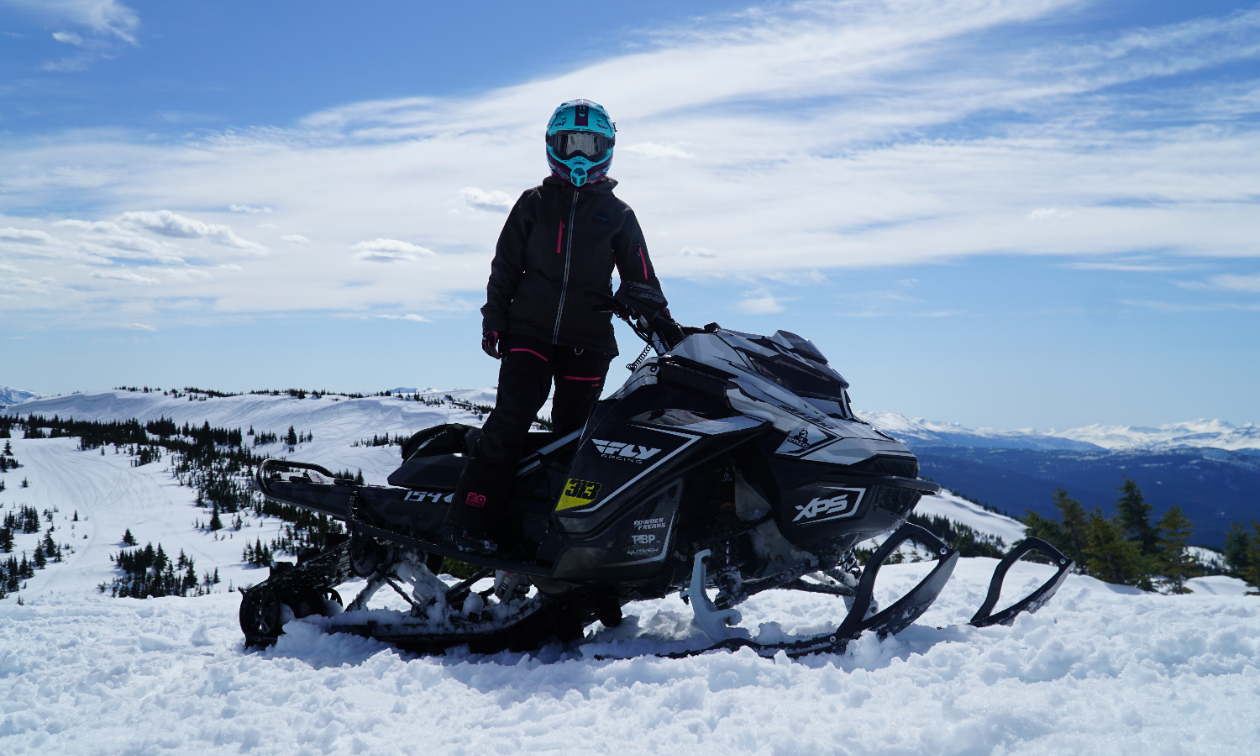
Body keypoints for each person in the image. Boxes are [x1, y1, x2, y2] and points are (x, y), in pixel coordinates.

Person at [441, 99, 672, 552]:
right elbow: (505, 267)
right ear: (554, 147)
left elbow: (642, 278)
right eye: (571, 144)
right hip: (529, 332)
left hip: (588, 340)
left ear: (607, 148)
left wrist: (668, 331)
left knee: (574, 440)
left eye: (590, 145)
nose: (580, 157)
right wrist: (494, 320)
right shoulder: (534, 203)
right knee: (511, 418)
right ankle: (468, 517)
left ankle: (559, 534)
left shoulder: (619, 214)